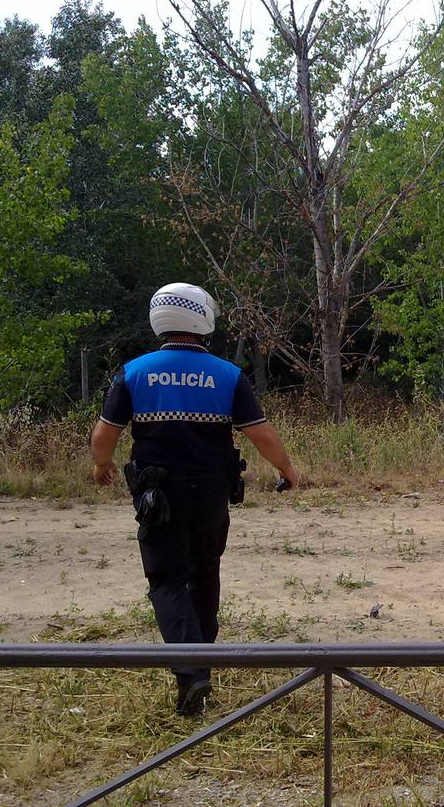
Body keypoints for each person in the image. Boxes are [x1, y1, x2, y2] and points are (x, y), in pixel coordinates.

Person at [89, 282, 299, 716]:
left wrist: (101, 465)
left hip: (158, 495)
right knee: (205, 574)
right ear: (202, 317)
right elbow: (260, 433)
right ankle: (203, 664)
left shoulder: (133, 372)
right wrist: (286, 469)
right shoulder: (227, 374)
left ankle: (192, 674)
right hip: (211, 492)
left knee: (166, 580)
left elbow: (104, 434)